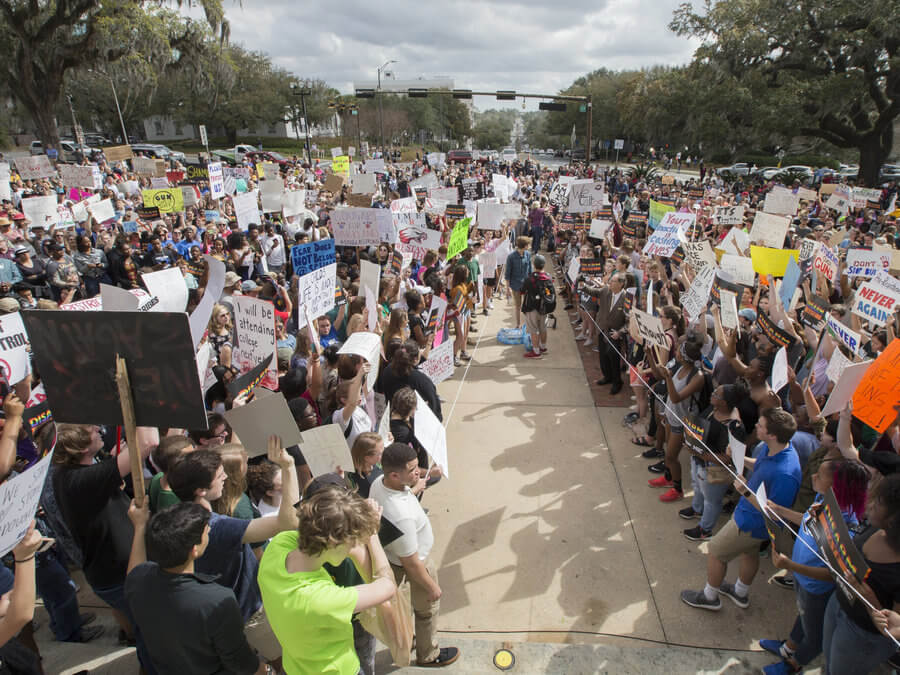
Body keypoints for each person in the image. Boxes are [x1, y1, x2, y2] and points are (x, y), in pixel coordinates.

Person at [166, 436, 300, 669]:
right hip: (249, 613)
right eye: (219, 477)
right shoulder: (215, 527)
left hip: (223, 613)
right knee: (285, 663)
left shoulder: (175, 516)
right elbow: (287, 523)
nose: (226, 477)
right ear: (200, 490)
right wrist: (288, 467)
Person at [257, 485, 397, 675]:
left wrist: (352, 516)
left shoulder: (277, 548)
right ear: (333, 544)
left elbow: (313, 525)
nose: (355, 547)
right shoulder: (320, 600)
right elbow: (387, 585)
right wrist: (372, 536)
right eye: (352, 542)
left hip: (296, 667)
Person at [680, 408, 801, 611]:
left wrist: (745, 492)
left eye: (760, 426)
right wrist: (741, 458)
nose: (755, 426)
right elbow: (760, 465)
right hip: (748, 517)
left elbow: (774, 513)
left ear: (772, 434)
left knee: (716, 551)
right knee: (749, 553)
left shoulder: (786, 473)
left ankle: (710, 597)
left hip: (750, 523)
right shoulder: (774, 447)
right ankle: (740, 592)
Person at [124, 501, 264, 675]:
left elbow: (134, 572)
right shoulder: (218, 601)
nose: (210, 531)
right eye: (206, 530)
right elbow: (242, 663)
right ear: (194, 550)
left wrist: (139, 527)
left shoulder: (139, 581)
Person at [759, 457, 869, 675]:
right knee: (802, 615)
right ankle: (788, 648)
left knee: (814, 634)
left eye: (820, 475)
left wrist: (792, 565)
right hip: (803, 582)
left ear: (836, 487)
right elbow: (809, 520)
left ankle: (794, 665)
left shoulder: (846, 526)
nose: (813, 477)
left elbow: (834, 574)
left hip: (816, 589)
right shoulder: (823, 499)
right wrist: (780, 510)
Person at [370, 443, 460, 667]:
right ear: (393, 474)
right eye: (411, 470)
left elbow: (401, 493)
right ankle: (428, 654)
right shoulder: (403, 517)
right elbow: (411, 563)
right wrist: (432, 587)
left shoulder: (378, 483)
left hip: (390, 559)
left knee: (400, 611)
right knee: (427, 611)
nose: (418, 471)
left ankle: (406, 640)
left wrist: (414, 486)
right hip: (415, 564)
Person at [585, 272, 627, 394]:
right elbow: (592, 292)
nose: (610, 283)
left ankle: (617, 382)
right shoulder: (605, 291)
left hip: (615, 333)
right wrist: (581, 284)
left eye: (613, 281)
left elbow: (629, 321)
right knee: (603, 356)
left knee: (613, 357)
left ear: (621, 284)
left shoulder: (627, 298)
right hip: (602, 329)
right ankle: (607, 377)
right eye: (610, 281)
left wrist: (620, 332)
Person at [520, 253, 553, 358]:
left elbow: (522, 291)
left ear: (534, 265)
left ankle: (536, 352)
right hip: (544, 308)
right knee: (543, 328)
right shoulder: (548, 277)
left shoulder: (530, 279)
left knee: (534, 330)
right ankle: (543, 347)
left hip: (532, 308)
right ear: (544, 265)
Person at [504, 236, 531, 328]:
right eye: (528, 245)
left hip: (526, 285)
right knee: (518, 306)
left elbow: (530, 271)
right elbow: (507, 274)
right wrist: (507, 289)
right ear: (524, 246)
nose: (529, 246)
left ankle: (528, 324)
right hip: (515, 285)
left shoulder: (527, 254)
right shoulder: (511, 257)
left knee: (527, 305)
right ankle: (518, 324)